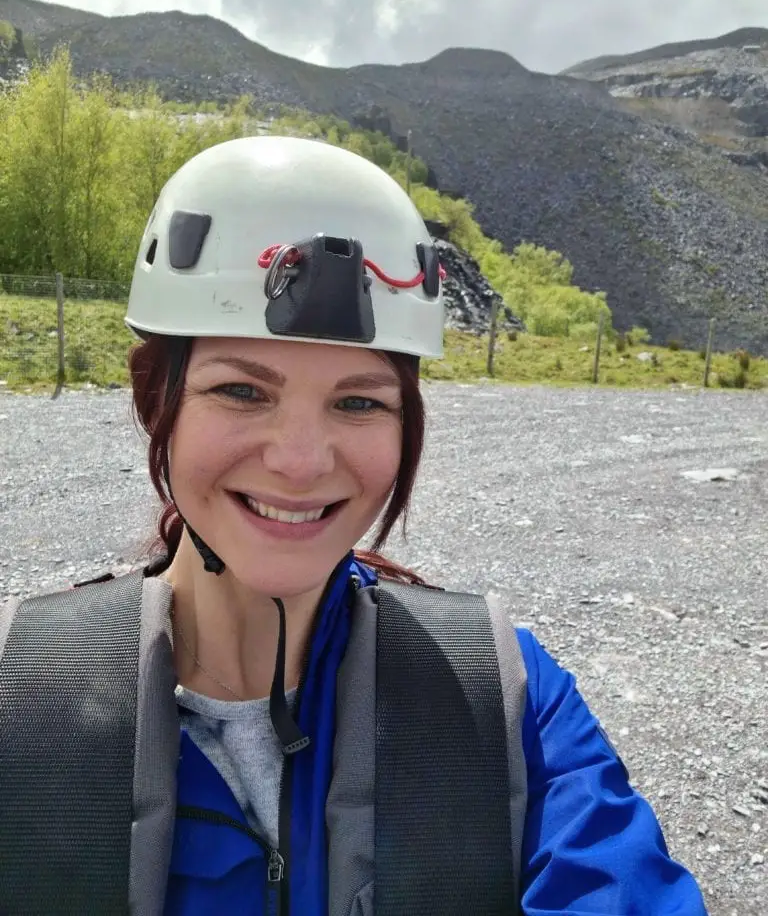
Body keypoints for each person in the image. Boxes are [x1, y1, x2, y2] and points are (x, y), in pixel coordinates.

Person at [0, 135, 708, 915]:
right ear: (155, 403)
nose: (301, 462)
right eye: (241, 392)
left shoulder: (503, 697)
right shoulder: (22, 702)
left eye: (359, 401)